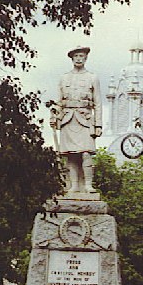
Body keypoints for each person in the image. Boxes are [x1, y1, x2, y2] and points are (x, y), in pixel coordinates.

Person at [50, 45, 102, 194]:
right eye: (76, 56)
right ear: (72, 59)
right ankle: (73, 186)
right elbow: (58, 101)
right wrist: (54, 116)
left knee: (86, 152)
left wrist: (98, 125)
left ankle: (88, 185)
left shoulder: (93, 77)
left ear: (86, 58)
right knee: (71, 155)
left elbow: (98, 103)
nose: (79, 59)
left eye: (81, 56)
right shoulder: (64, 77)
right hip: (67, 119)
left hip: (85, 119)